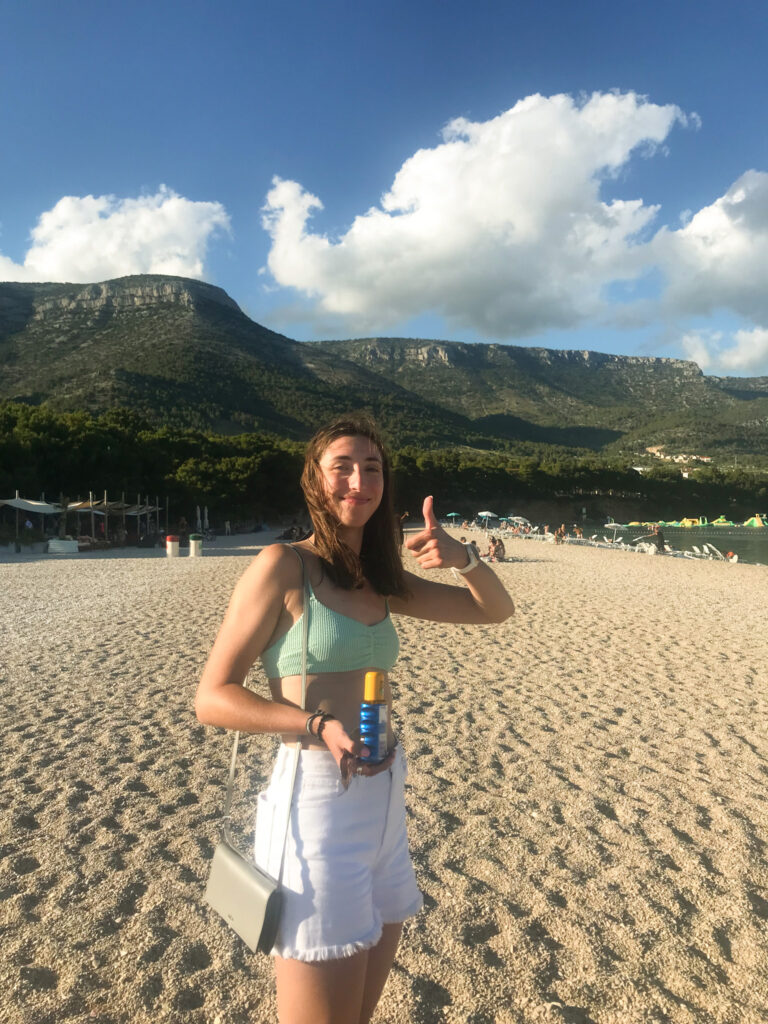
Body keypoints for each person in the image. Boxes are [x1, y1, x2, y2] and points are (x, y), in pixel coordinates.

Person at [195, 415, 514, 1024]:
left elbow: (494, 611)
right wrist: (314, 725)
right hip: (316, 799)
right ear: (314, 480)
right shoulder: (282, 567)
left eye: (372, 468)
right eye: (342, 465)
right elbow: (212, 696)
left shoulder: (383, 580)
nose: (358, 480)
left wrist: (465, 558)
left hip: (385, 798)